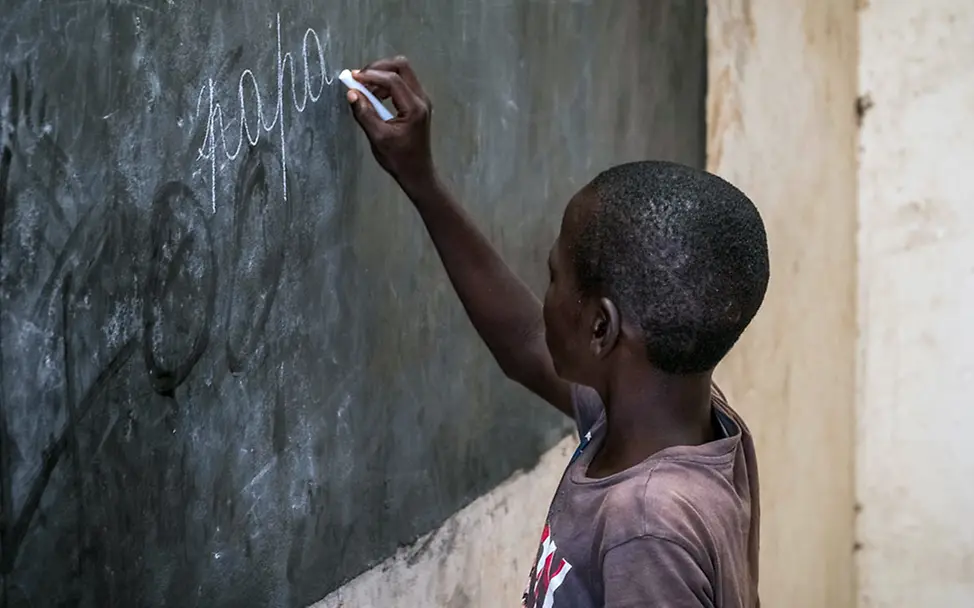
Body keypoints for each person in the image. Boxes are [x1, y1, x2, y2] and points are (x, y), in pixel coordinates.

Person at [344, 57, 767, 608]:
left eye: (553, 277)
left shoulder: (648, 527)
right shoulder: (672, 416)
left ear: (601, 328)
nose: (543, 297)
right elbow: (523, 341)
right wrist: (421, 181)